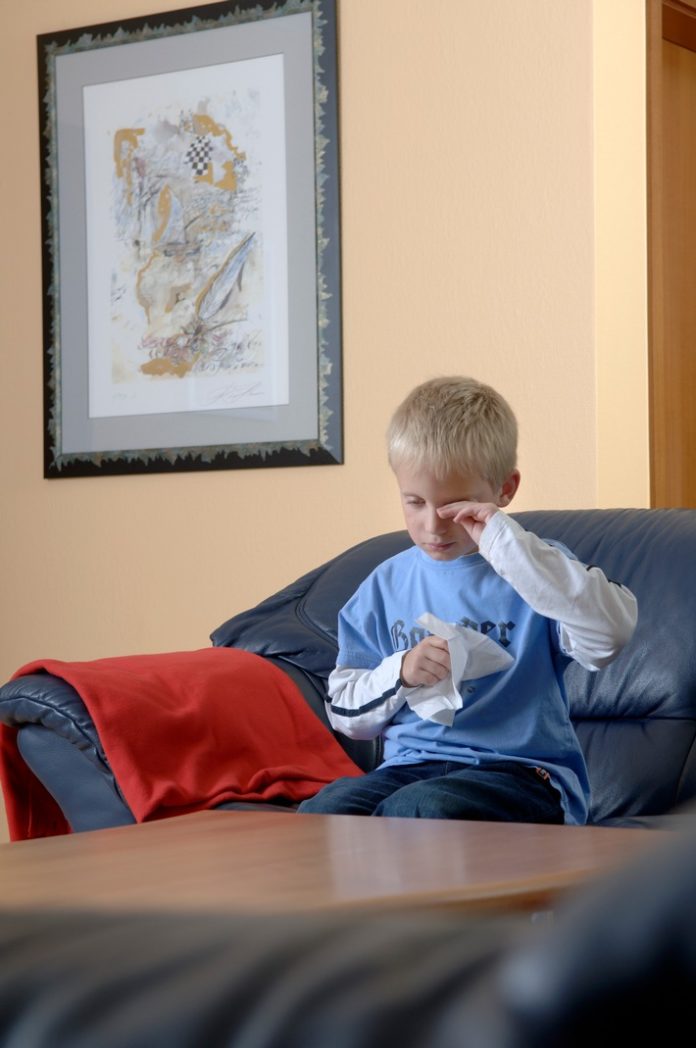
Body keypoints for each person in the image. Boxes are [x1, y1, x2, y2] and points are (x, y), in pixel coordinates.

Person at [298, 376, 638, 824]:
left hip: (522, 775)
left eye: (454, 507)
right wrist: (399, 671)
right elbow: (346, 714)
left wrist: (508, 548)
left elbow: (609, 634)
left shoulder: (537, 571)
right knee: (324, 813)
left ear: (505, 489)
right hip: (411, 769)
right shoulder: (385, 585)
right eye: (415, 502)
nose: (433, 527)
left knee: (419, 809)